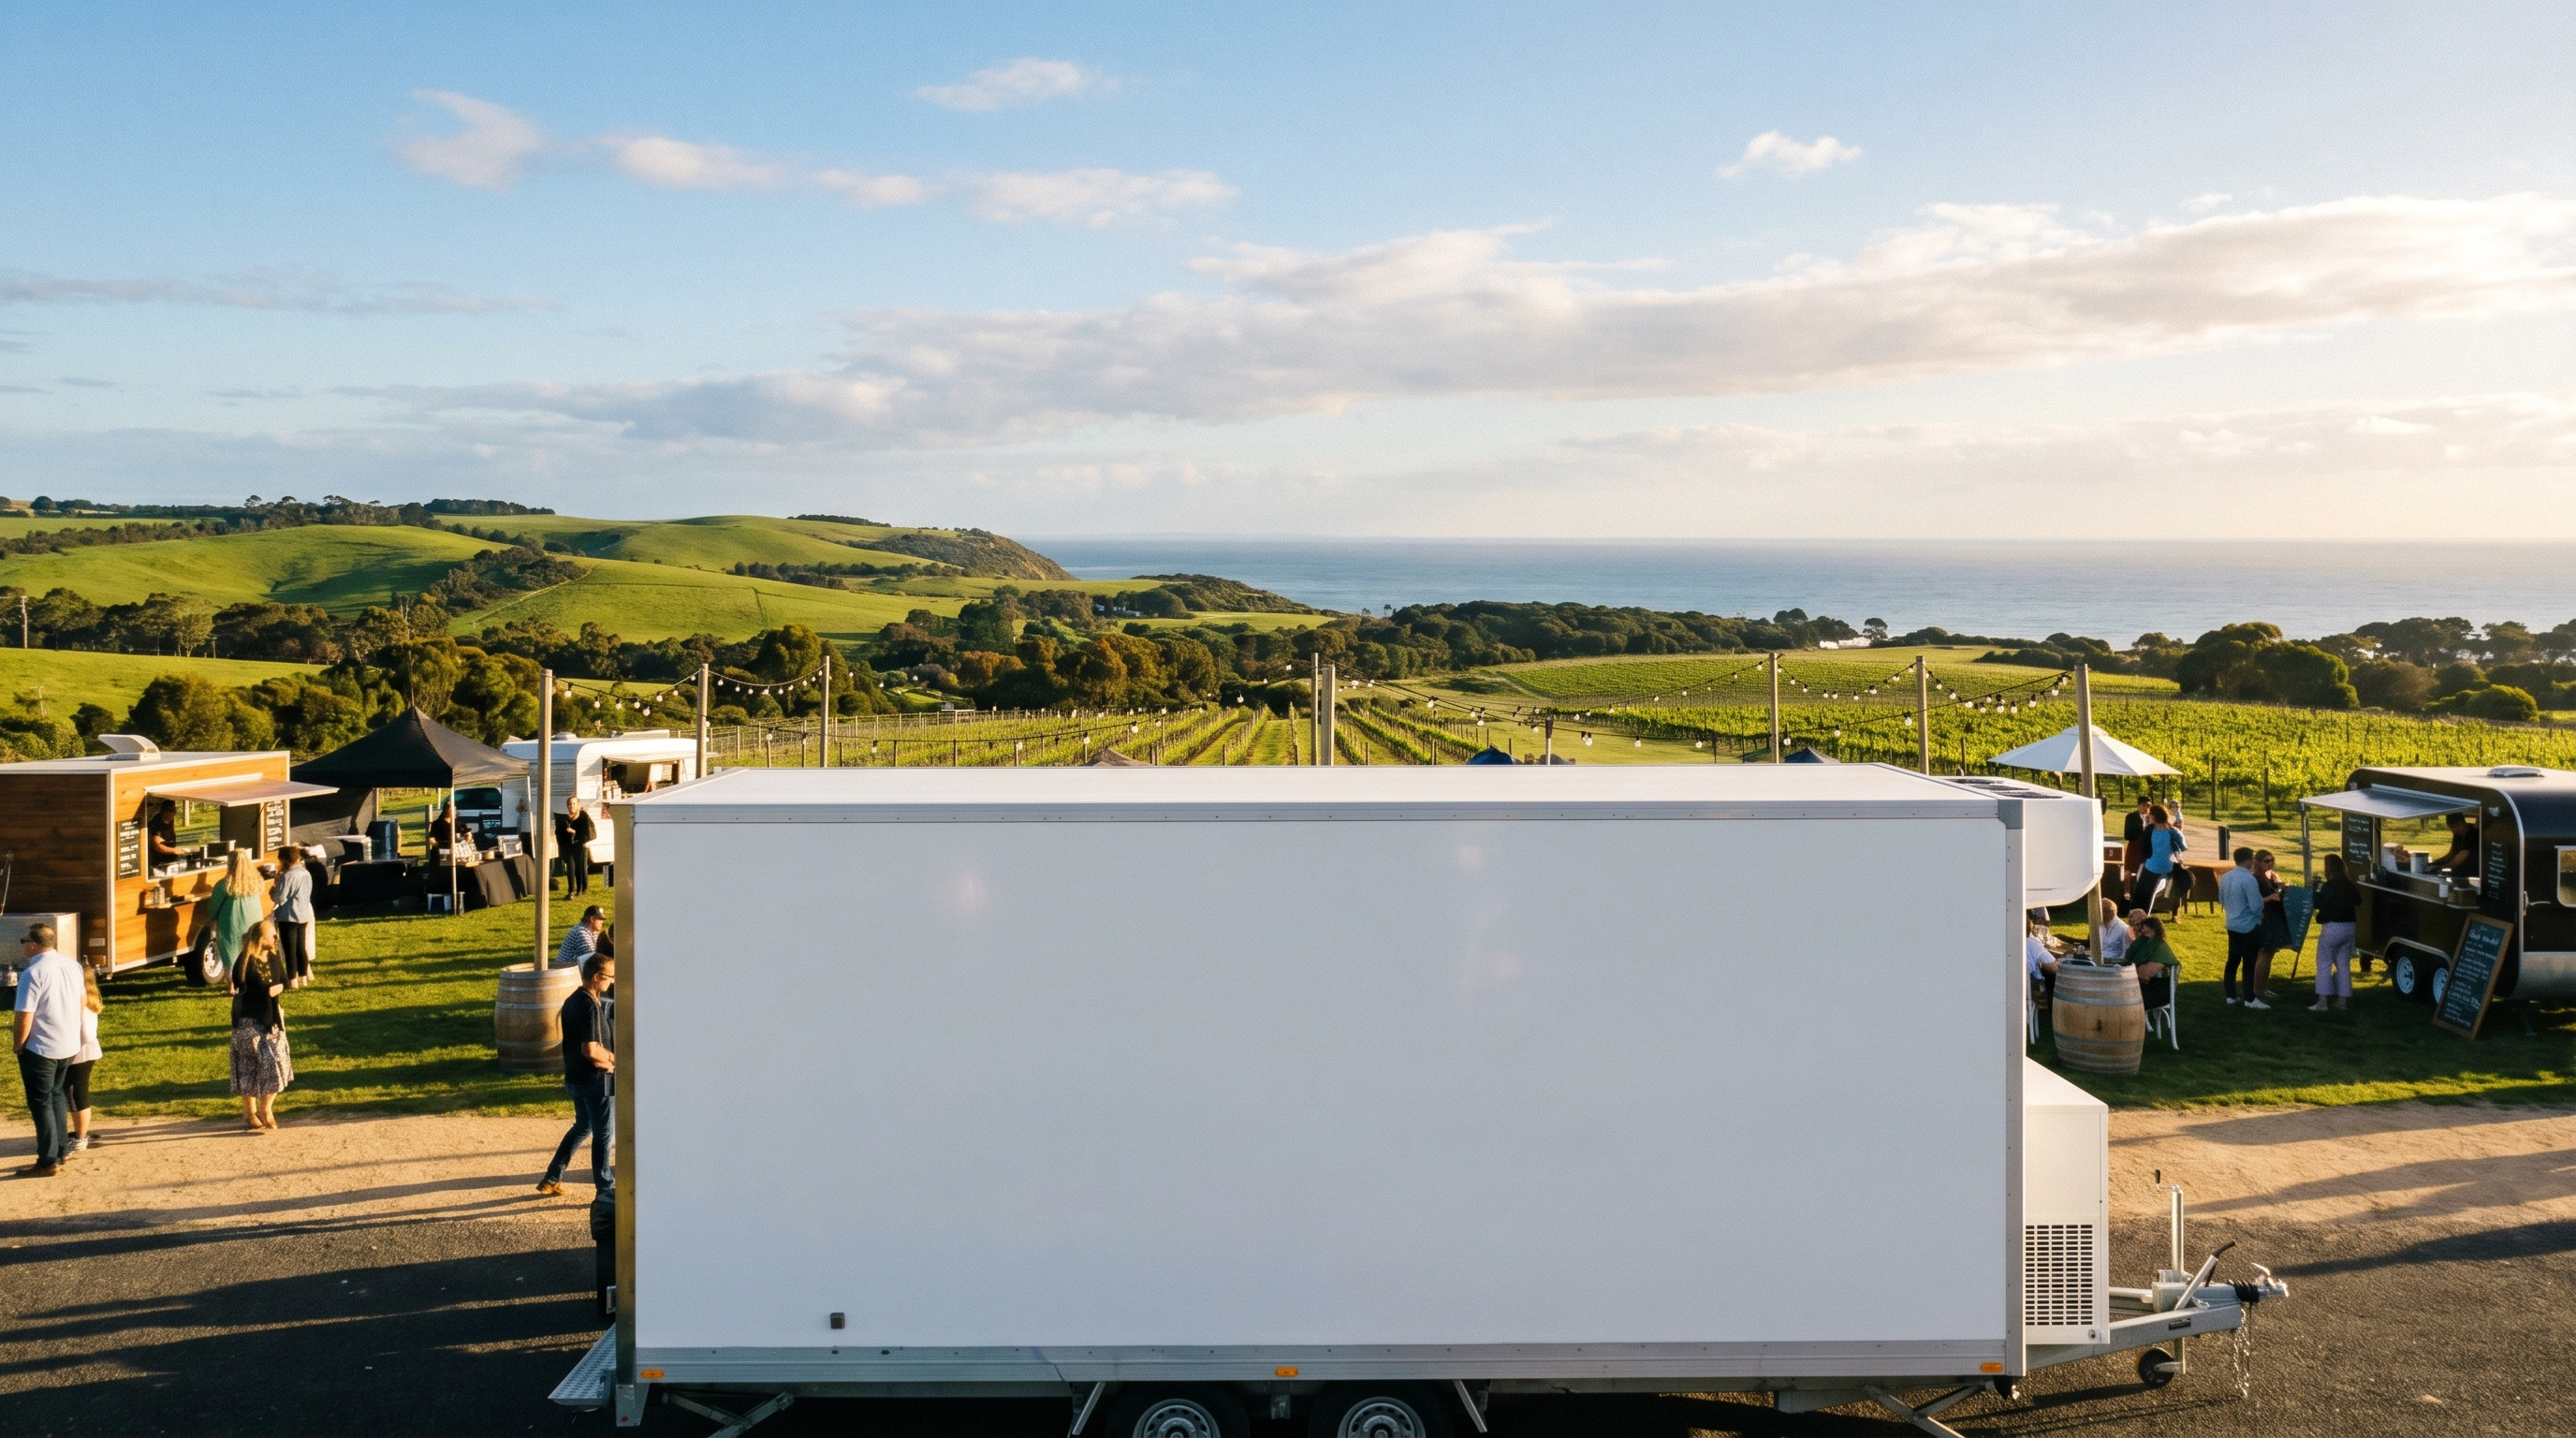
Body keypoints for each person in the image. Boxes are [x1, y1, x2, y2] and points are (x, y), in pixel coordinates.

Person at [537, 951, 615, 1196]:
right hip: (595, 1082)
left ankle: (552, 1177)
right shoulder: (589, 1005)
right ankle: (605, 1189)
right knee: (604, 1135)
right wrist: (612, 1062)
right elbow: (590, 1050)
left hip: (574, 1079)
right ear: (596, 976)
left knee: (583, 1126)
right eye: (609, 977)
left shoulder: (572, 1000)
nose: (612, 982)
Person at [12, 922, 81, 1177]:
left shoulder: (32, 973)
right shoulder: (73, 966)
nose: (23, 945)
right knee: (56, 1095)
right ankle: (61, 1150)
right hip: (68, 1043)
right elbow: (80, 1001)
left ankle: (47, 1160)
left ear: (33, 944)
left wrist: (18, 1045)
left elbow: (24, 1015)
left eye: (24, 941)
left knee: (41, 1102)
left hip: (41, 1046)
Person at [227, 921, 294, 1131]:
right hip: (248, 1018)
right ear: (260, 938)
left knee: (276, 1060)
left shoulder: (273, 958)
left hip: (271, 1018)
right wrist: (266, 991)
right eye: (272, 935)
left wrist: (277, 989)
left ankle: (266, 1109)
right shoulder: (245, 959)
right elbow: (240, 985)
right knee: (249, 1065)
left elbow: (284, 980)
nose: (276, 938)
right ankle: (249, 1113)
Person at [208, 849, 269, 981]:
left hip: (231, 923)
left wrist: (212, 918)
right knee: (252, 951)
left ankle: (232, 985)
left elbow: (213, 907)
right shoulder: (256, 881)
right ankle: (253, 979)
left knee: (230, 954)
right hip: (254, 920)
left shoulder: (224, 884)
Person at [2311, 853, 2363, 1012]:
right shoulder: (2348, 884)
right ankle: (2342, 1001)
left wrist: (2315, 888)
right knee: (2343, 965)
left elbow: (2318, 903)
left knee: (2324, 963)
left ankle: (2322, 1002)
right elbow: (2358, 901)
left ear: (2329, 869)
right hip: (2349, 927)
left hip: (2332, 927)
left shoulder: (2329, 885)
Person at [2218, 846, 2266, 1008]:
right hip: (2249, 925)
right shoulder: (2249, 879)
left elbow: (2221, 900)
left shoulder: (2226, 877)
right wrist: (2260, 914)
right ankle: (2250, 999)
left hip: (2232, 923)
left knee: (2233, 960)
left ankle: (2231, 995)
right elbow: (2256, 906)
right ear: (2248, 860)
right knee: (2249, 963)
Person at [67, 967, 102, 1153]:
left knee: (76, 1095)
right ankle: (80, 1133)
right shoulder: (91, 999)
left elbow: (87, 1034)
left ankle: (80, 1138)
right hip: (87, 1052)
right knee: (77, 1094)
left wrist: (71, 1042)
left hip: (80, 1054)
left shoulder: (81, 1003)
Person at [2129, 804, 2186, 917]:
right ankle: (2140, 916)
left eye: (2150, 815)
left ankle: (2142, 917)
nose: (2148, 817)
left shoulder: (2170, 830)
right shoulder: (2160, 830)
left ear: (2155, 816)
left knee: (2144, 893)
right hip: (2159, 865)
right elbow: (2183, 846)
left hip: (2154, 866)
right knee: (2147, 893)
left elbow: (2182, 846)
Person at [271, 844, 316, 989]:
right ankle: (303, 978)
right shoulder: (306, 873)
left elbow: (280, 899)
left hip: (288, 916)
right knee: (301, 948)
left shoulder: (287, 876)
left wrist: (273, 891)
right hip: (303, 914)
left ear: (285, 859)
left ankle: (292, 980)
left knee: (289, 950)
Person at [2252, 850, 2292, 1005]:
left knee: (2266, 956)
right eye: (2266, 861)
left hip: (2271, 919)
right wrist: (2273, 896)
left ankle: (2261, 988)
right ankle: (2258, 990)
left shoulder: (2268, 876)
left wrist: (2281, 888)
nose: (2270, 864)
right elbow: (2257, 900)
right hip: (2266, 920)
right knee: (2264, 955)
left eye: (2272, 860)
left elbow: (2275, 893)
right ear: (2258, 862)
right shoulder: (2257, 878)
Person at [2124, 915, 2177, 1012]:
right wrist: (2138, 973)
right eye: (2143, 933)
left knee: (2124, 998)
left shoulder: (2161, 949)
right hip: (2145, 986)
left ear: (2156, 931)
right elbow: (2139, 972)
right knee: (2118, 994)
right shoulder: (2143, 946)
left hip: (2158, 991)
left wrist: (2134, 972)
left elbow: (2145, 973)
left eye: (2148, 933)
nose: (2145, 936)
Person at [559, 800, 596, 897]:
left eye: (574, 804)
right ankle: (571, 891)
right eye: (570, 804)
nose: (572, 806)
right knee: (570, 868)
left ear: (578, 805)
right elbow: (560, 833)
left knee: (581, 867)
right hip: (569, 846)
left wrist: (575, 832)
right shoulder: (566, 818)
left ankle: (582, 889)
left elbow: (588, 831)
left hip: (581, 845)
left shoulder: (583, 816)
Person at [556, 905, 606, 970]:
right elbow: (593, 957)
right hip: (563, 970)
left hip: (570, 969)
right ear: (592, 919)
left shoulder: (591, 931)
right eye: (600, 919)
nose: (602, 922)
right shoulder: (581, 932)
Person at [2434, 813, 2480, 877]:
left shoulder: (2473, 833)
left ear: (2462, 823)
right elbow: (2451, 854)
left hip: (2472, 870)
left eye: (2455, 826)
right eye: (2450, 827)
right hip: (2461, 870)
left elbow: (2462, 855)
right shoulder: (2458, 834)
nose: (2452, 830)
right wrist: (2436, 863)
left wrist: (2446, 866)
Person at [2121, 798, 2153, 885]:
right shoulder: (2131, 817)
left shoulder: (2151, 817)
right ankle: (2127, 889)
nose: (2146, 808)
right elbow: (2127, 835)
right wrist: (2140, 829)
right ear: (2138, 806)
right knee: (2129, 869)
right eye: (2143, 805)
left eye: (2148, 806)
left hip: (2147, 846)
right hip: (2134, 845)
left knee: (2146, 869)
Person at [147, 800, 186, 869]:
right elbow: (158, 846)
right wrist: (175, 850)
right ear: (163, 811)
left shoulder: (170, 822)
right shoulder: (156, 823)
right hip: (158, 863)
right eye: (170, 811)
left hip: (170, 861)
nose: (173, 814)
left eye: (174, 811)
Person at [2094, 897, 2132, 965]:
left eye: (2100, 913)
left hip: (2114, 964)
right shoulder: (2099, 925)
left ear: (2108, 913)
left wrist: (2118, 965)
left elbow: (2126, 951)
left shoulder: (2123, 928)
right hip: (2096, 961)